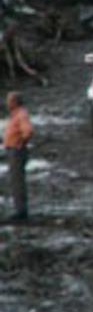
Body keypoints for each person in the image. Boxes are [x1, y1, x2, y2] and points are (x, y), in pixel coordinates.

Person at [4, 92, 33, 222]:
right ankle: (20, 209)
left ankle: (21, 212)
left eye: (9, 101)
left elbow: (28, 131)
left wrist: (20, 142)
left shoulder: (21, 115)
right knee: (15, 181)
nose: (7, 103)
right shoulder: (16, 114)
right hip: (13, 150)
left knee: (17, 181)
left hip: (17, 151)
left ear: (15, 102)